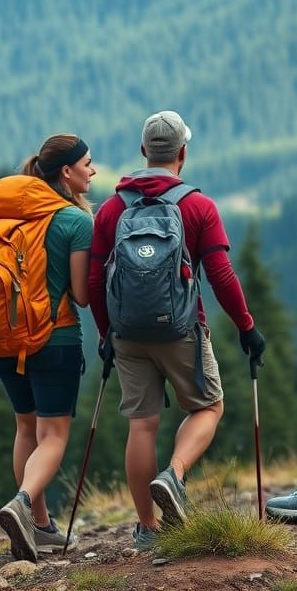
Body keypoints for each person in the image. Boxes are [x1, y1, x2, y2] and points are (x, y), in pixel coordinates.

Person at [89, 110, 266, 549]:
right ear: (182, 153)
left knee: (142, 425)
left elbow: (95, 280)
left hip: (127, 333)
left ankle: (147, 529)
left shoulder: (112, 208)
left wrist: (104, 332)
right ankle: (176, 473)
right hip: (182, 330)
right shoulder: (198, 206)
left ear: (144, 151)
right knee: (208, 407)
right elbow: (222, 276)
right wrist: (247, 327)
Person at [0, 134, 96, 562]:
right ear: (67, 172)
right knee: (52, 436)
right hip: (54, 340)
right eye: (87, 163)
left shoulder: (8, 213)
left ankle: (39, 525)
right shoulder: (74, 221)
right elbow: (81, 296)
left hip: (0, 340)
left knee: (25, 428)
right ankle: (21, 504)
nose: (93, 169)